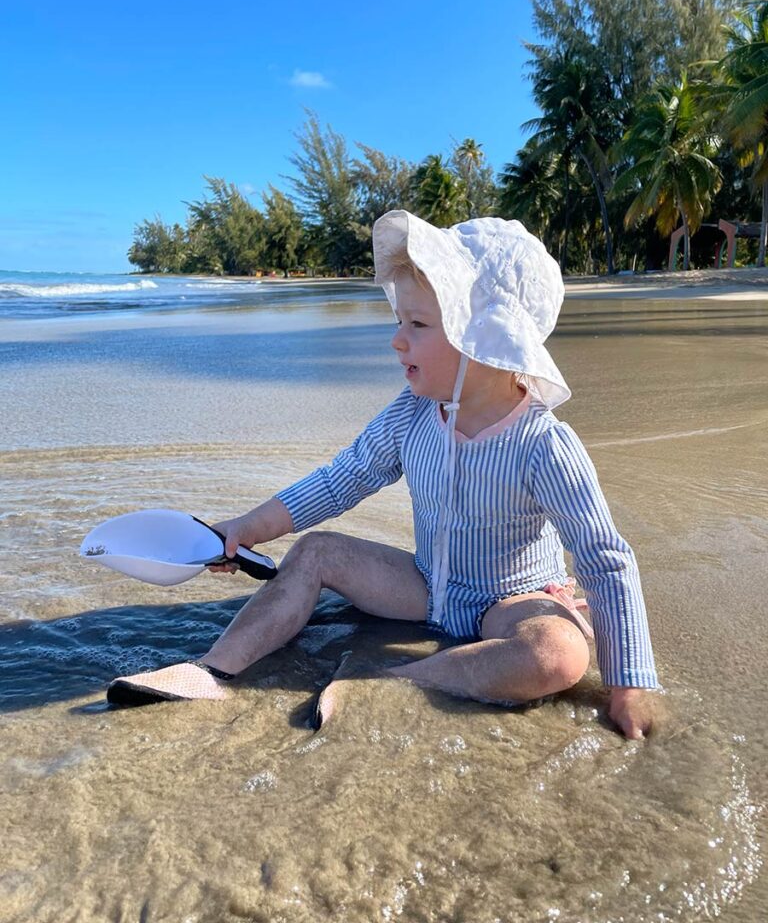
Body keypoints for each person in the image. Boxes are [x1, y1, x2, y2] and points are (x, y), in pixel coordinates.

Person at [107, 210, 659, 739]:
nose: (397, 340)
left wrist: (628, 684)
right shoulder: (414, 411)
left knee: (556, 655)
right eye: (401, 320)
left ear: (486, 341)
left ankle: (395, 682)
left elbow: (603, 557)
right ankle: (213, 670)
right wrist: (248, 528)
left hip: (511, 599)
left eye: (417, 325)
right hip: (425, 585)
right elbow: (343, 477)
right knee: (316, 550)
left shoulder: (543, 444)